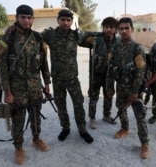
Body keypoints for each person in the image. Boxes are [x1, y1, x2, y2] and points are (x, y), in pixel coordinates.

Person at [0, 4, 51, 165]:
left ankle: (36, 139)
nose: (26, 21)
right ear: (17, 18)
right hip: (17, 89)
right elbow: (3, 69)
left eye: (29, 17)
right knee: (18, 119)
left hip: (35, 86)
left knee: (35, 116)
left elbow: (44, 63)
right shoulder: (6, 39)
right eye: (23, 17)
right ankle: (18, 148)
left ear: (33, 19)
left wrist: (47, 83)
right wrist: (7, 92)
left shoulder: (39, 38)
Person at [40, 9, 97, 143]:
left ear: (72, 21)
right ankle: (65, 128)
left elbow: (92, 34)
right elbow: (32, 35)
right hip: (58, 79)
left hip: (73, 79)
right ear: (58, 20)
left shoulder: (76, 35)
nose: (66, 22)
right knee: (61, 106)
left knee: (78, 105)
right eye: (63, 20)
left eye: (68, 20)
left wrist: (108, 32)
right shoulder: (50, 35)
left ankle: (82, 130)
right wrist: (13, 29)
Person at [106, 17, 149, 159]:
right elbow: (110, 69)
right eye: (121, 28)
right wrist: (109, 87)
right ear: (118, 30)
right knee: (121, 109)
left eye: (126, 28)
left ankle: (144, 143)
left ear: (131, 29)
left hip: (134, 89)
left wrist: (135, 92)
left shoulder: (138, 48)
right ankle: (124, 129)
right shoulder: (115, 48)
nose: (124, 31)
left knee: (140, 116)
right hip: (120, 87)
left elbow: (140, 72)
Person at [82, 17, 119, 129]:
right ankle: (92, 118)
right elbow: (81, 39)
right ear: (102, 28)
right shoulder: (96, 39)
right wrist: (96, 34)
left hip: (110, 75)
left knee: (109, 95)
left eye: (111, 27)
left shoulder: (118, 42)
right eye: (106, 27)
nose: (108, 29)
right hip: (96, 74)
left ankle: (106, 115)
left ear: (115, 29)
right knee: (93, 96)